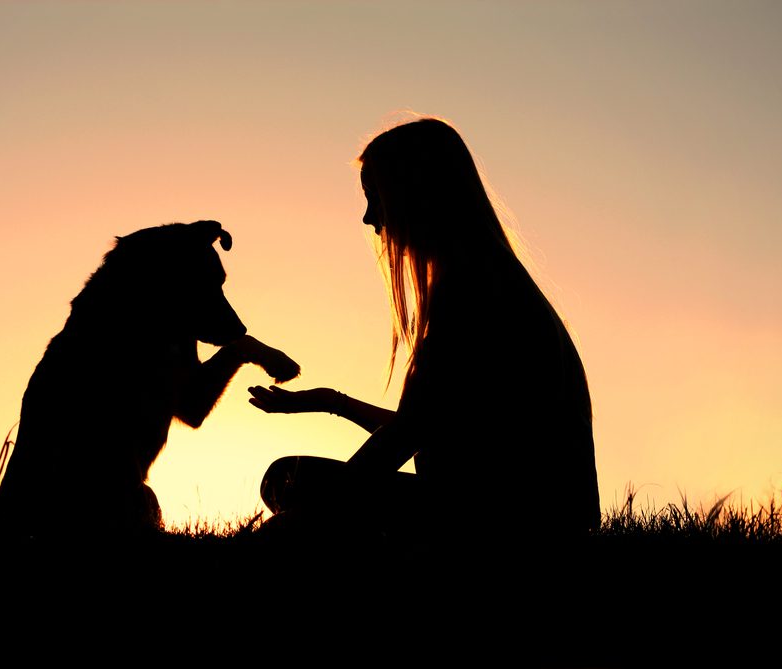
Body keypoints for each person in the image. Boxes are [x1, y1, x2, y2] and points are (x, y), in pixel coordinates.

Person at [249, 117, 599, 541]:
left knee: (292, 482)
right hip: (527, 511)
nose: (367, 217)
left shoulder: (475, 287)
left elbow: (406, 435)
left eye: (375, 197)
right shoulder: (486, 277)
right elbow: (425, 423)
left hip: (517, 522)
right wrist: (331, 403)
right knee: (290, 479)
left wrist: (314, 514)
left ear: (415, 194)